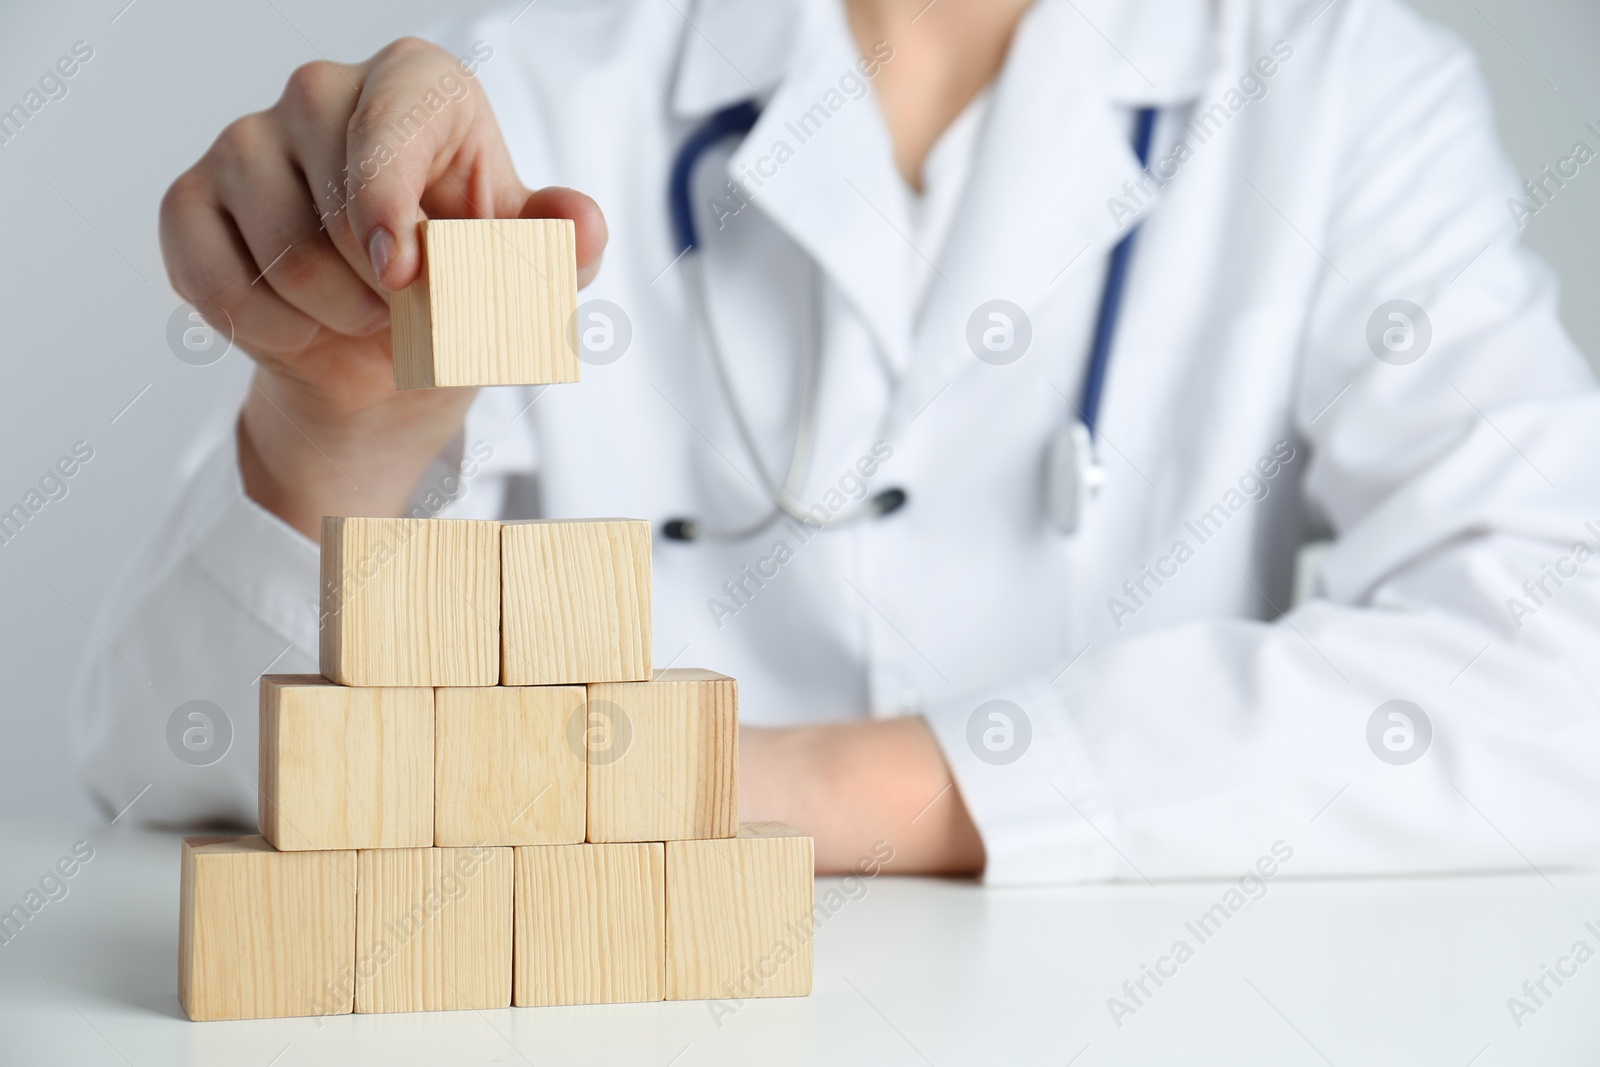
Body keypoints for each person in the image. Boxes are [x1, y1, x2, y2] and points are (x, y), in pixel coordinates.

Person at [72, 0, 1600, 885]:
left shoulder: (1339, 86)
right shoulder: (539, 90)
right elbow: (166, 760)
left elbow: (1567, 655)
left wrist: (811, 788)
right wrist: (343, 424)